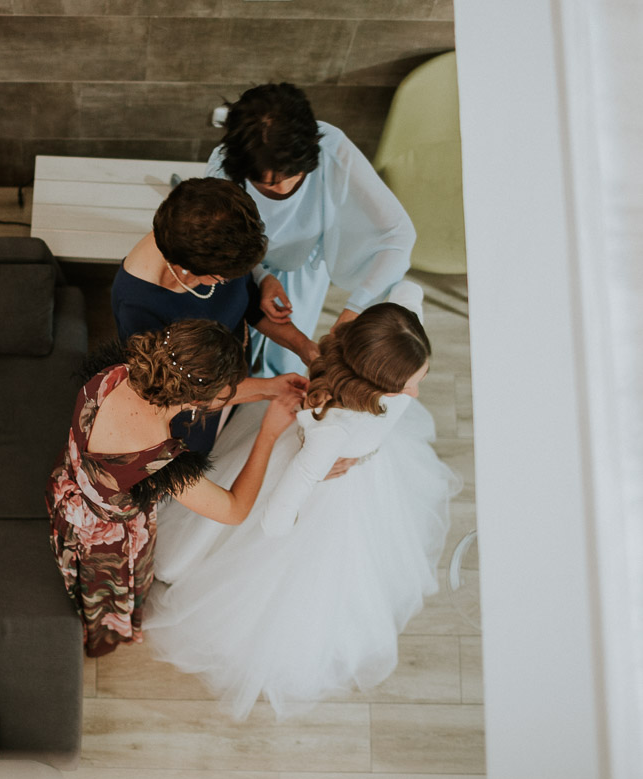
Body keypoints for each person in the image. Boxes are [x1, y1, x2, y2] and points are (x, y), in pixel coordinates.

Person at [144, 283, 460, 718]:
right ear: (374, 382)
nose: (416, 395)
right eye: (408, 386)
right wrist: (310, 504)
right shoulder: (331, 433)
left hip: (365, 473)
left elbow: (409, 290)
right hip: (321, 491)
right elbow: (274, 521)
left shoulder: (386, 336)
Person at [45, 319, 302, 658]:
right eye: (227, 387)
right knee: (104, 596)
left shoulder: (121, 372)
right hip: (106, 540)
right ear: (199, 396)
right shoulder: (155, 455)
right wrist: (268, 433)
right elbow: (234, 510)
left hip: (70, 485)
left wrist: (269, 387)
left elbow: (196, 393)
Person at [207, 82, 415, 378]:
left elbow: (398, 234)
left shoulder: (331, 145)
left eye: (294, 175)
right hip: (233, 266)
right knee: (230, 348)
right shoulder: (221, 171)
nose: (284, 188)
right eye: (267, 184)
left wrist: (353, 310)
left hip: (301, 263)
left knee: (289, 360)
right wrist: (261, 276)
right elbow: (221, 245)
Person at [111, 176, 314, 453]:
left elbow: (250, 306)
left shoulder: (216, 246)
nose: (231, 279)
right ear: (188, 269)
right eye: (223, 277)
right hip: (192, 408)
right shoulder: (138, 306)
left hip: (235, 375)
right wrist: (268, 388)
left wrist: (305, 347)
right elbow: (177, 392)